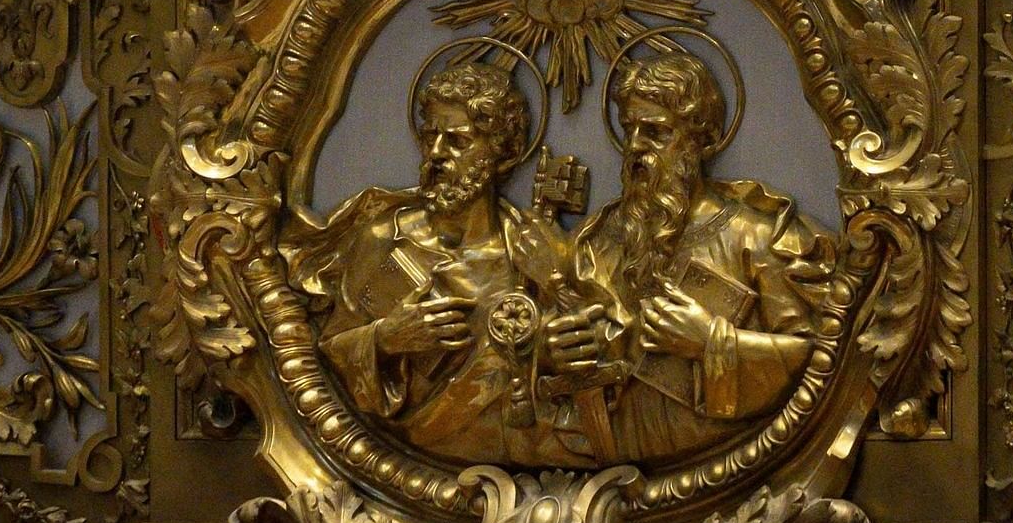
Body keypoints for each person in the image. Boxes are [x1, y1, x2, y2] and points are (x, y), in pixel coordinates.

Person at [540, 46, 838, 465]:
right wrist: (554, 352)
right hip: (613, 455)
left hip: (725, 461)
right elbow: (566, 348)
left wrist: (709, 342)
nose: (636, 147)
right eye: (630, 130)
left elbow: (815, 358)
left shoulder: (758, 236)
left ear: (702, 140)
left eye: (657, 132)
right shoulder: (600, 240)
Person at [293, 56, 579, 467]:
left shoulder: (529, 251)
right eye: (431, 138)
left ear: (503, 154)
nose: (438, 154)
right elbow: (331, 352)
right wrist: (387, 338)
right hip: (408, 453)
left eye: (459, 141)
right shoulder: (383, 240)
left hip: (510, 452)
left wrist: (541, 353)